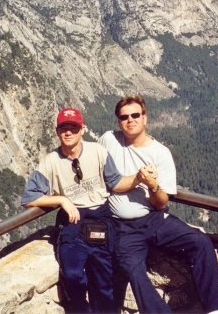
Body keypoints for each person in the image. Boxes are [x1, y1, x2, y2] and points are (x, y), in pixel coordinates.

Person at [99, 95, 218, 314]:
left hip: (154, 219)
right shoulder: (108, 140)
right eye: (124, 117)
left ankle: (215, 309)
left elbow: (160, 203)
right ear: (118, 121)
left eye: (135, 115)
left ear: (145, 118)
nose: (130, 120)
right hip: (123, 227)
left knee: (200, 242)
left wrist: (153, 186)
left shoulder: (160, 153)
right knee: (133, 270)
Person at [21, 107, 140, 314]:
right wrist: (61, 201)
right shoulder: (51, 161)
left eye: (73, 128)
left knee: (104, 280)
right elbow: (29, 197)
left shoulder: (98, 152)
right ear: (57, 131)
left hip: (100, 218)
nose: (68, 132)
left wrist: (138, 179)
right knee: (72, 274)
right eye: (63, 128)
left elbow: (115, 182)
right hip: (72, 222)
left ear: (82, 129)